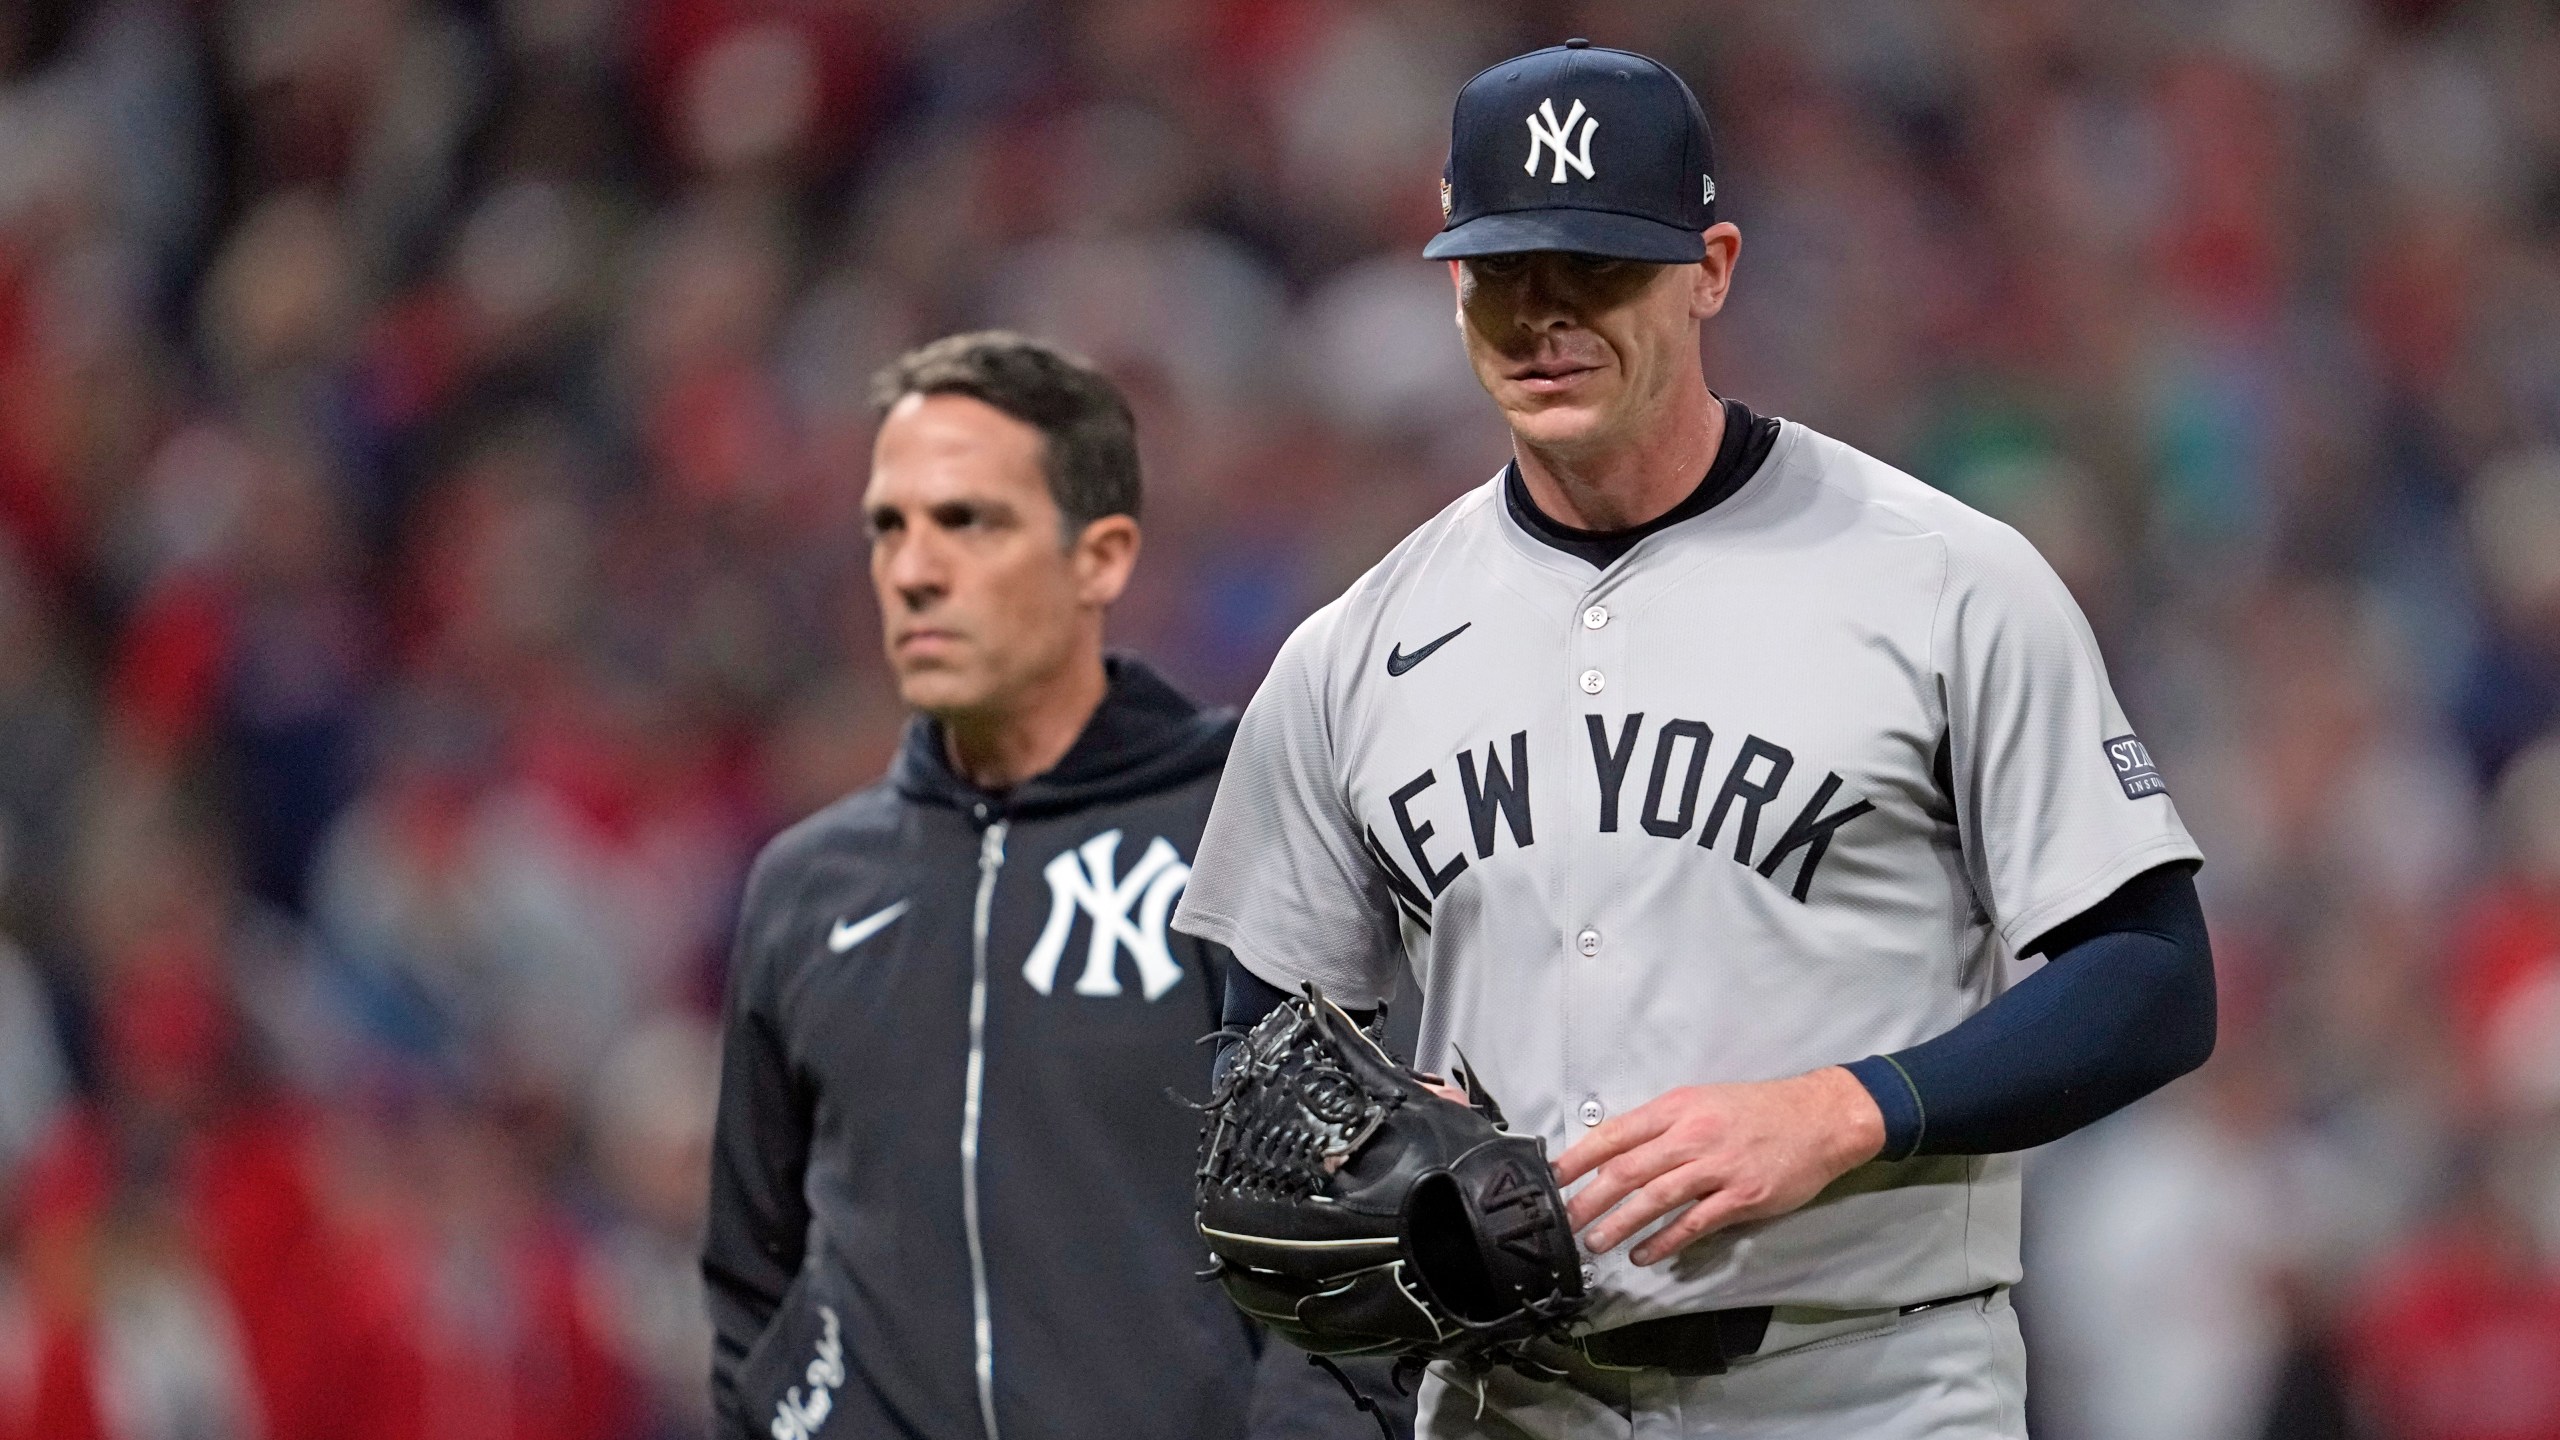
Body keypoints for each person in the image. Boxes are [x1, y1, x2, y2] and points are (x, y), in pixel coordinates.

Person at [1174, 41, 2217, 1440]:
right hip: (1509, 1400)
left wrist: (1853, 1108)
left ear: (1711, 267)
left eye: (1596, 267)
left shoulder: (1944, 581)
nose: (1545, 316)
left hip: (1869, 1387)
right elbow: (1266, 1063)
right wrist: (1371, 1164)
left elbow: (2152, 975)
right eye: (1501, 271)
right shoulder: (1348, 654)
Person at [701, 332, 1409, 1440]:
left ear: (1102, 558)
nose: (915, 569)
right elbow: (753, 1281)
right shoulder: (806, 889)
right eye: (890, 525)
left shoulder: (1245, 821)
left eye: (970, 521)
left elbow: (1354, 1244)